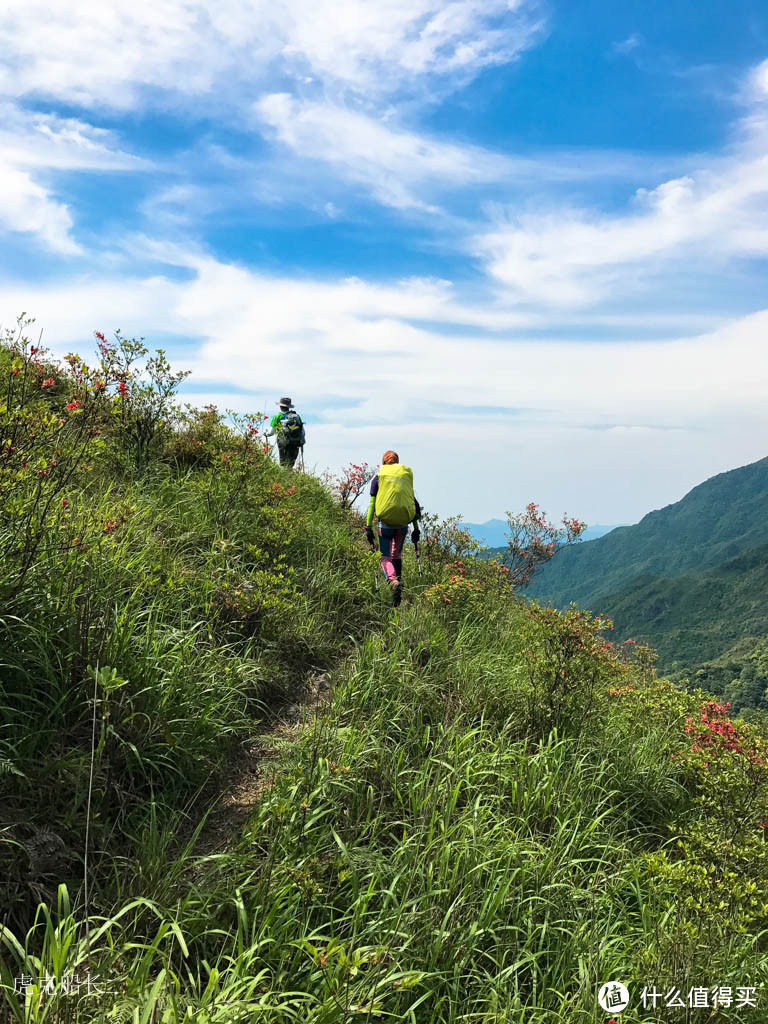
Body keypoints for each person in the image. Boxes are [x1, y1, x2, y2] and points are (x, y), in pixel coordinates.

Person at [365, 450, 421, 607]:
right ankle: (398, 589)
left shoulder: (378, 478)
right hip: (403, 524)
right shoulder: (404, 478)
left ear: (384, 462)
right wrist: (416, 528)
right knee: (397, 554)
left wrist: (368, 527)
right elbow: (413, 504)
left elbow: (372, 505)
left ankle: (393, 581)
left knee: (384, 556)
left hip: (385, 524)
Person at [266, 397, 305, 468]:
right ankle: (290, 476)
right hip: (295, 442)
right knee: (290, 463)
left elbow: (271, 432)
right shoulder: (296, 416)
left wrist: (266, 435)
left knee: (283, 463)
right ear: (289, 407)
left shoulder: (277, 416)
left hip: (283, 442)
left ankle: (284, 476)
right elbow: (303, 431)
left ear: (280, 406)